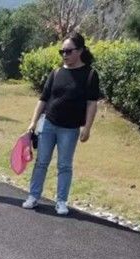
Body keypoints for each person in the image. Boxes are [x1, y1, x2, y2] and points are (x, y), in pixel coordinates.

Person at [22, 32, 100, 215]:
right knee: (41, 162)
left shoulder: (89, 74)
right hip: (49, 123)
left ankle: (61, 201)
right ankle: (33, 196)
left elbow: (92, 103)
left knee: (64, 165)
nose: (65, 55)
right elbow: (43, 99)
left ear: (79, 51)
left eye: (69, 51)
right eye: (62, 51)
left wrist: (87, 127)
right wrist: (33, 122)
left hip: (70, 128)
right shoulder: (56, 72)